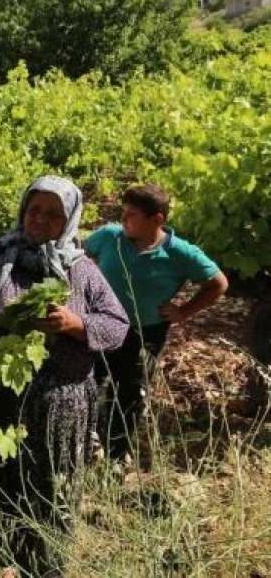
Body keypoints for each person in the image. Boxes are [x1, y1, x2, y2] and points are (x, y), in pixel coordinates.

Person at [0, 177, 129, 577]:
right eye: (35, 210)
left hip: (52, 413)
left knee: (43, 504)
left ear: (69, 221)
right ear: (22, 210)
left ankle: (38, 570)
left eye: (54, 214)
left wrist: (73, 322)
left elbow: (116, 325)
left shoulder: (81, 270)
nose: (41, 220)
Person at [86, 184, 228, 462]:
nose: (123, 219)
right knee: (85, 381)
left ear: (157, 220)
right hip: (97, 324)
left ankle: (117, 456)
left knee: (128, 392)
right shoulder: (108, 237)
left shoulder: (180, 253)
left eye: (132, 215)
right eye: (122, 212)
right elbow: (80, 259)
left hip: (144, 332)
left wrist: (184, 311)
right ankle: (84, 443)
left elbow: (218, 284)